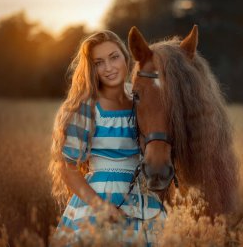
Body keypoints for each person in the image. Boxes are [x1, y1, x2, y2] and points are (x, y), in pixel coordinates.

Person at [49, 30, 165, 246]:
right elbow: (68, 169)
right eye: (99, 62)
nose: (109, 67)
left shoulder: (142, 97)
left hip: (142, 199)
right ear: (91, 69)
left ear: (126, 57)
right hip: (99, 201)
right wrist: (101, 207)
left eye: (114, 57)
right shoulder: (86, 107)